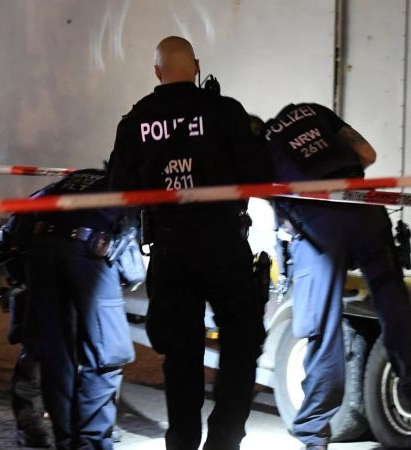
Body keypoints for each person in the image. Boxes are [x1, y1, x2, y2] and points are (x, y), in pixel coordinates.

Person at [107, 36, 271, 450]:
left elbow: (119, 192)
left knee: (180, 355)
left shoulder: (136, 121)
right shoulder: (225, 112)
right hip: (223, 245)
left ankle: (181, 441)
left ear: (156, 72)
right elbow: (259, 174)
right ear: (196, 66)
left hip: (170, 249)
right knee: (241, 345)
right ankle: (225, 439)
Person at [260, 103, 411, 450]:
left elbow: (267, 197)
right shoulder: (312, 112)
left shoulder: (261, 145)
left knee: (322, 330)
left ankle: (313, 436)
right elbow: (366, 152)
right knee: (396, 315)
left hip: (319, 228)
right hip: (365, 209)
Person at [0, 168, 138, 450]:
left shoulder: (69, 182)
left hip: (38, 250)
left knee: (53, 355)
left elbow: (10, 233)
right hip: (89, 253)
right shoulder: (133, 184)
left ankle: (65, 439)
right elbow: (135, 267)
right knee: (105, 355)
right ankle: (90, 443)